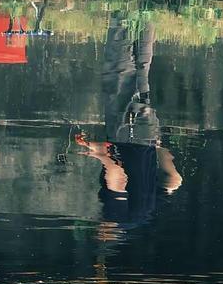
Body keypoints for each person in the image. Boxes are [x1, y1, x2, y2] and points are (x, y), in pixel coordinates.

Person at [74, 15, 182, 238]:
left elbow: (174, 181)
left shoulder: (145, 213)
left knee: (142, 69)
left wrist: (155, 146)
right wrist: (97, 152)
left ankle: (148, 12)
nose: (98, 225)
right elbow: (117, 174)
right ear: (106, 233)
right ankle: (122, 12)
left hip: (148, 134)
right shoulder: (117, 216)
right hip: (126, 133)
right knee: (118, 72)